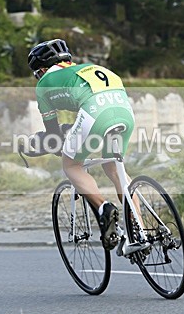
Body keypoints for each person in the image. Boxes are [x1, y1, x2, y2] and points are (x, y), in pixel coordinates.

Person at [28, 38, 134, 250]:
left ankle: (104, 208)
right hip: (124, 111)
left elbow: (53, 135)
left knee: (72, 165)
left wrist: (47, 145)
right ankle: (138, 231)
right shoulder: (88, 69)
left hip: (95, 113)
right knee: (113, 167)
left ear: (41, 70)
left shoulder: (43, 84)